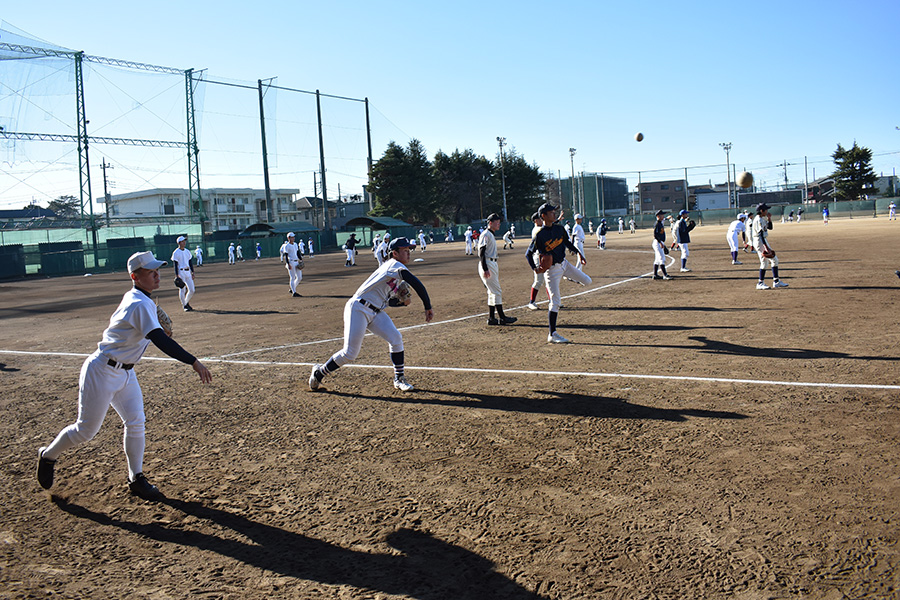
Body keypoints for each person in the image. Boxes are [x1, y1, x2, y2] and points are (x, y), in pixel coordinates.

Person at [36, 251, 212, 500]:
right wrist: (193, 361)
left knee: (136, 421)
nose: (156, 274)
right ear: (135, 276)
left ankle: (136, 477)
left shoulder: (142, 299)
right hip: (102, 372)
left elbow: (151, 333)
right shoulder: (138, 303)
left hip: (126, 373)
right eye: (150, 271)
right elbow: (160, 339)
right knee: (86, 430)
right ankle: (48, 455)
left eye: (157, 270)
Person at [309, 237, 433, 393]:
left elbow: (387, 302)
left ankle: (399, 378)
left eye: (409, 250)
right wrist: (427, 306)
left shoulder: (394, 275)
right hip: (358, 309)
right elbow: (415, 282)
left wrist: (401, 302)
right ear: (394, 253)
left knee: (396, 338)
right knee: (350, 353)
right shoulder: (393, 265)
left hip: (375, 312)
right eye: (405, 250)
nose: (409, 253)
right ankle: (319, 373)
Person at [526, 203, 591, 343]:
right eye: (551, 212)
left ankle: (553, 333)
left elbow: (567, 243)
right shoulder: (540, 235)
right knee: (555, 301)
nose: (554, 214)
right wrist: (535, 268)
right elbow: (528, 254)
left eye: (554, 212)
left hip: (565, 264)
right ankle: (552, 334)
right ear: (543, 216)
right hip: (552, 270)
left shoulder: (559, 229)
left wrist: (579, 254)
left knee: (587, 281)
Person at [478, 213, 516, 326]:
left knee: (491, 292)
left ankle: (492, 318)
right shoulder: (486, 234)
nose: (499, 223)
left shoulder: (490, 234)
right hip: (488, 263)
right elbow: (481, 251)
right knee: (497, 291)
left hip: (491, 263)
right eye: (497, 222)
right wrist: (485, 268)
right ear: (490, 223)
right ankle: (502, 317)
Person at [752, 203, 789, 290]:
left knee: (774, 260)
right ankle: (760, 283)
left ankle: (776, 281)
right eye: (766, 210)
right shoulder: (758, 220)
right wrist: (766, 247)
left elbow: (770, 227)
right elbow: (760, 234)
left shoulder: (762, 218)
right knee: (764, 262)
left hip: (763, 240)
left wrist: (769, 218)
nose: (767, 211)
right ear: (762, 211)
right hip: (759, 241)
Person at [171, 235, 196, 311]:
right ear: (179, 243)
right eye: (182, 241)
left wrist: (193, 272)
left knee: (192, 290)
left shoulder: (187, 251)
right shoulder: (176, 252)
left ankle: (186, 302)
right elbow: (175, 264)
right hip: (181, 272)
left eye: (184, 241)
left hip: (188, 272)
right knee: (182, 290)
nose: (184, 242)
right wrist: (177, 275)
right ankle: (184, 306)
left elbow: (190, 262)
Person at [526, 211, 545, 311]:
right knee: (538, 280)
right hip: (538, 257)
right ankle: (531, 302)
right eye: (540, 218)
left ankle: (553, 300)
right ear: (536, 220)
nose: (542, 220)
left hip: (544, 257)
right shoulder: (537, 229)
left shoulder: (540, 228)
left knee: (549, 280)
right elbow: (546, 229)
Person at [280, 232, 303, 297]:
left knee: (299, 277)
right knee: (292, 277)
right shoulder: (286, 246)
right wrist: (288, 264)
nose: (293, 238)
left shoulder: (295, 244)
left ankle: (292, 288)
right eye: (292, 237)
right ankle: (294, 292)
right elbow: (286, 255)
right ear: (288, 238)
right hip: (291, 262)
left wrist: (301, 259)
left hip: (296, 262)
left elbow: (298, 252)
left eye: (293, 237)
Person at [652, 210, 672, 281]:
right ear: (658, 216)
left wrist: (667, 218)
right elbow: (655, 234)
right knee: (662, 258)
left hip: (659, 242)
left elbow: (664, 219)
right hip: (658, 242)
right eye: (662, 215)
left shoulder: (660, 222)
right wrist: (660, 242)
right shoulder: (657, 224)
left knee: (657, 260)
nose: (663, 216)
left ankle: (655, 275)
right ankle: (665, 275)